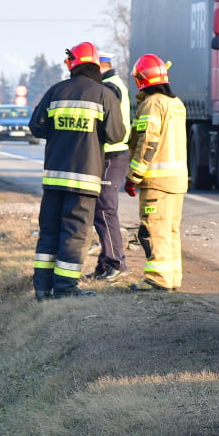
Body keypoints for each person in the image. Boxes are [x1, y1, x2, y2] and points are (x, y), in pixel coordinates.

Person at [29, 41, 126, 300]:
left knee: (49, 232)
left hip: (53, 179)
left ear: (72, 64)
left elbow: (36, 128)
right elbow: (117, 135)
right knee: (74, 235)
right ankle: (64, 289)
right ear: (95, 64)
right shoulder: (104, 94)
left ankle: (42, 288)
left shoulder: (55, 91)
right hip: (85, 181)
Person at [122, 54, 188, 291]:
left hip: (157, 182)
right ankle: (172, 278)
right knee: (169, 230)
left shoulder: (151, 104)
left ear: (141, 78)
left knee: (154, 229)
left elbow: (147, 141)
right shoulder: (176, 103)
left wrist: (133, 176)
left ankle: (157, 280)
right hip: (176, 181)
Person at [88, 52, 131, 281]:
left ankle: (116, 263)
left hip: (112, 154)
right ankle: (105, 264)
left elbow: (106, 124)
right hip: (112, 153)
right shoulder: (112, 84)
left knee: (105, 210)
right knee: (101, 210)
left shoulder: (109, 88)